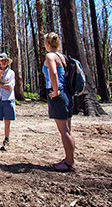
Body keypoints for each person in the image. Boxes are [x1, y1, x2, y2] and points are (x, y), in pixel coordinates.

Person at [43, 32, 76, 172]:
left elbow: (53, 73)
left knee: (64, 131)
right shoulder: (62, 57)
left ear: (48, 43)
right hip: (67, 94)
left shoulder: (50, 56)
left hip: (58, 94)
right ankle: (70, 159)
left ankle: (69, 162)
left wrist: (55, 91)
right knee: (67, 130)